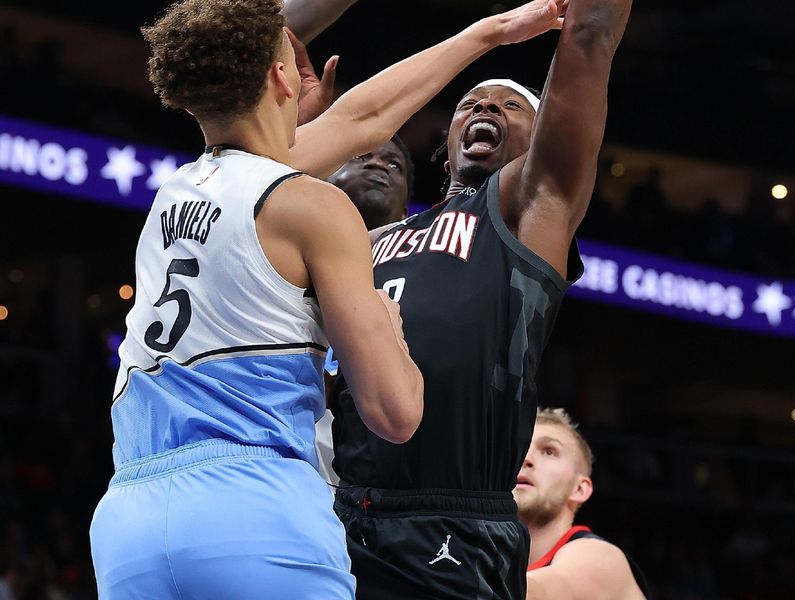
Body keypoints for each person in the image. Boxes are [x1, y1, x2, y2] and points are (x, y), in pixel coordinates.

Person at [89, 0, 570, 597]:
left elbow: (360, 117)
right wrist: (387, 327)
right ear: (283, 77)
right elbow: (396, 414)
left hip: (128, 516)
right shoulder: (313, 206)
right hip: (250, 502)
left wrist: (489, 34)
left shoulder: (176, 190)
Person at [330, 0, 633, 597]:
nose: (486, 105)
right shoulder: (368, 240)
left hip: (449, 519)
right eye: (469, 103)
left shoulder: (525, 211)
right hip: (333, 509)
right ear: (444, 143)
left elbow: (592, 37)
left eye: (511, 104)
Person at [318, 134, 414, 485]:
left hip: (371, 459)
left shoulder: (424, 267)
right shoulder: (280, 241)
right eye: (361, 155)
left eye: (394, 165)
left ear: (406, 211)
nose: (377, 165)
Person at [516, 408, 648, 599]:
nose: (525, 459)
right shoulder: (497, 560)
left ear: (580, 489)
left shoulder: (600, 557)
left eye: (549, 452)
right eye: (519, 449)